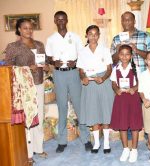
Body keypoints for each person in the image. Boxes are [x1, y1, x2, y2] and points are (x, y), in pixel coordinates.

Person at [45, 11, 92, 153]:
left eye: (63, 19)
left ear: (67, 20)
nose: (61, 21)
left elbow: (83, 55)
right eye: (58, 19)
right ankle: (62, 140)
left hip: (73, 73)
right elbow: (47, 58)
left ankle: (86, 139)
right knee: (62, 107)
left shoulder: (75, 37)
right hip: (59, 74)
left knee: (79, 106)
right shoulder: (51, 39)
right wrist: (54, 62)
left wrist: (76, 61)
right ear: (55, 21)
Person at [4, 18, 48, 164]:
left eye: (30, 28)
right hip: (24, 87)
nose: (28, 30)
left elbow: (45, 62)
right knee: (28, 119)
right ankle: (27, 153)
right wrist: (28, 68)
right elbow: (8, 69)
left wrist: (46, 67)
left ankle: (38, 147)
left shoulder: (39, 45)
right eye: (25, 28)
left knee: (39, 116)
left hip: (39, 84)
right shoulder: (13, 46)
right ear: (19, 30)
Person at [110, 11, 150, 148]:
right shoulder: (117, 39)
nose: (127, 22)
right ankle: (128, 143)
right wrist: (118, 51)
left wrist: (136, 50)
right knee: (127, 111)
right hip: (122, 79)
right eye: (124, 20)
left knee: (144, 110)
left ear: (134, 21)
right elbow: (112, 60)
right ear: (121, 22)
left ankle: (147, 137)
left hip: (142, 78)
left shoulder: (145, 36)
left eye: (129, 20)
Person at [77, 25, 114, 154]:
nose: (93, 36)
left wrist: (103, 78)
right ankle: (97, 143)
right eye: (90, 34)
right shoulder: (82, 51)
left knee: (105, 112)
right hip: (89, 84)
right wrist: (83, 78)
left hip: (103, 82)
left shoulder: (105, 49)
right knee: (93, 113)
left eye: (95, 34)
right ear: (86, 35)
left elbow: (109, 69)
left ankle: (107, 143)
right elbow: (80, 70)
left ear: (99, 35)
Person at [110, 45, 143, 163]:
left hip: (133, 99)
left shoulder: (135, 68)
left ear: (131, 56)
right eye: (122, 54)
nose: (124, 56)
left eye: (127, 54)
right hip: (121, 99)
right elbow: (113, 83)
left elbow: (141, 83)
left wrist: (134, 88)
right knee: (122, 125)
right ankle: (125, 149)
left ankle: (134, 149)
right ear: (118, 55)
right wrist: (116, 89)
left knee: (134, 125)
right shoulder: (116, 69)